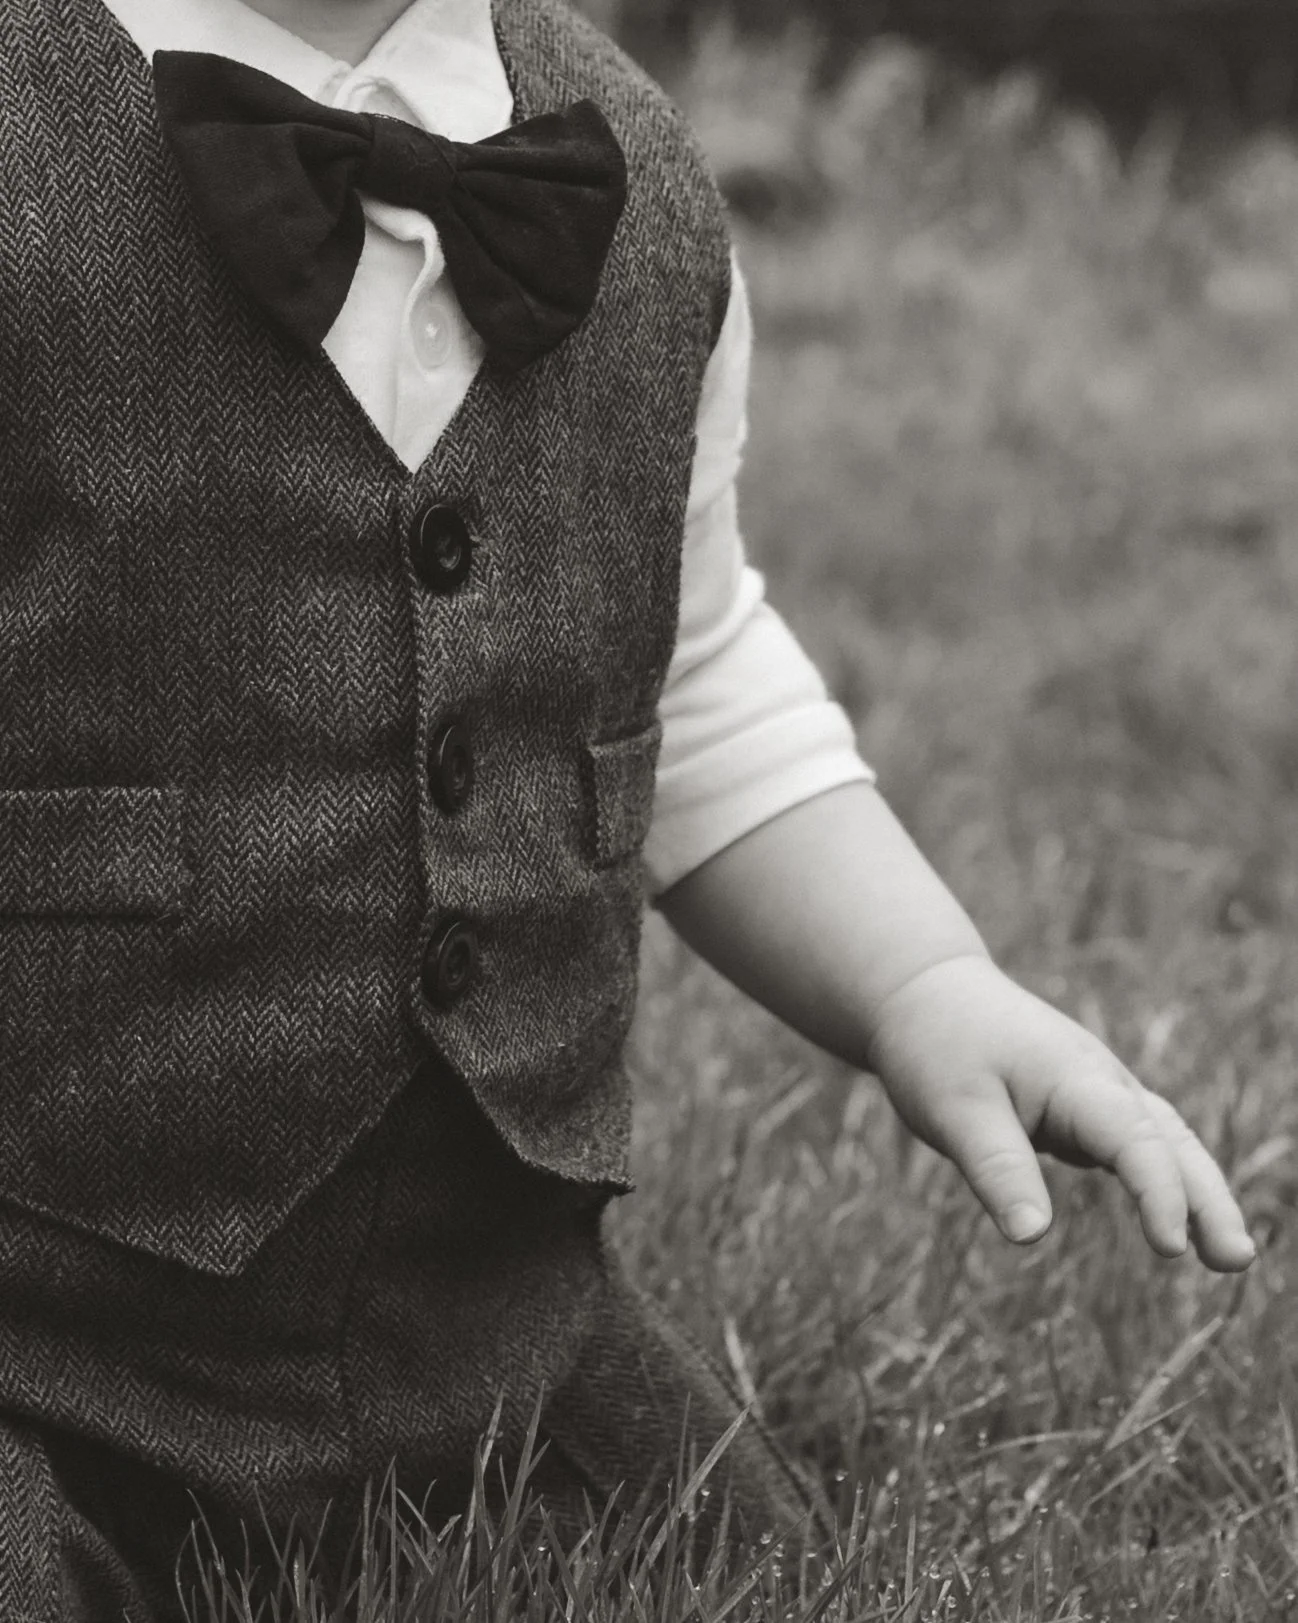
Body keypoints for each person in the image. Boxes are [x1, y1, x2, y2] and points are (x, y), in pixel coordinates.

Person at [0, 0, 1255, 1617]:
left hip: (495, 1340)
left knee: (766, 1581)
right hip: (47, 1324)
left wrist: (922, 985)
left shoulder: (633, 177)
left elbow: (698, 667)